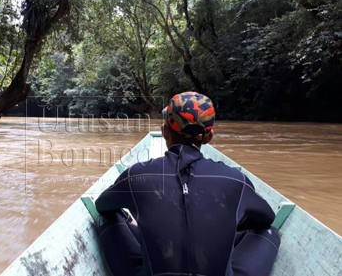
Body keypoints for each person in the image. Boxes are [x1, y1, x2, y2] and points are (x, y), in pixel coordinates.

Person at [95, 92, 280, 276]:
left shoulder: (136, 175)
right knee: (269, 231)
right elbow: (266, 218)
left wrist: (132, 221)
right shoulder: (235, 180)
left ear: (164, 130)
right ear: (209, 137)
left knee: (108, 217)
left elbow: (102, 205)